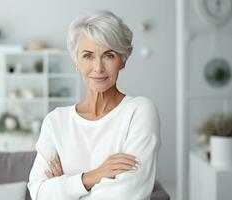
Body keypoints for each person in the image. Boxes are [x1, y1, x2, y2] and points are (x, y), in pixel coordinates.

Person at [27, 10, 161, 200]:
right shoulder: (56, 121)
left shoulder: (139, 111)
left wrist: (65, 186)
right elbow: (39, 193)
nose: (98, 68)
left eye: (109, 55)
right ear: (76, 61)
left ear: (123, 60)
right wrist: (93, 176)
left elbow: (126, 195)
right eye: (88, 56)